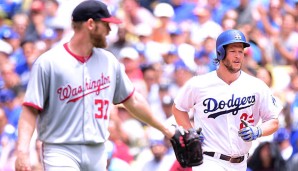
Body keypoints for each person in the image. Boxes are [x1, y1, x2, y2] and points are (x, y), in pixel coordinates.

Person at [14, 1, 174, 170]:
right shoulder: (49, 62)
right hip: (60, 149)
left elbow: (132, 100)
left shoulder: (109, 61)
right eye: (105, 24)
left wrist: (167, 130)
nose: (109, 30)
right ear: (90, 24)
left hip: (98, 150)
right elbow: (30, 109)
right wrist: (22, 151)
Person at [172, 29, 283, 171]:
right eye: (233, 51)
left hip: (241, 163)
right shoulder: (199, 84)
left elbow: (273, 121)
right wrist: (190, 131)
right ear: (220, 53)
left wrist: (258, 130)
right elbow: (178, 108)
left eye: (241, 52)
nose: (238, 56)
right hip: (209, 161)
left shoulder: (256, 86)